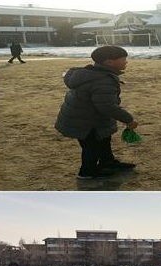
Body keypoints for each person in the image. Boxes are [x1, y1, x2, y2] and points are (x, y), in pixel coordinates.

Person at [54, 45, 139, 179]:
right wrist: (128, 119)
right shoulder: (102, 80)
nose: (126, 62)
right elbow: (107, 106)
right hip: (85, 122)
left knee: (104, 140)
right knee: (91, 147)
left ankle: (107, 162)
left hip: (90, 118)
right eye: (123, 59)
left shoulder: (96, 74)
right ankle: (87, 172)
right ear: (109, 62)